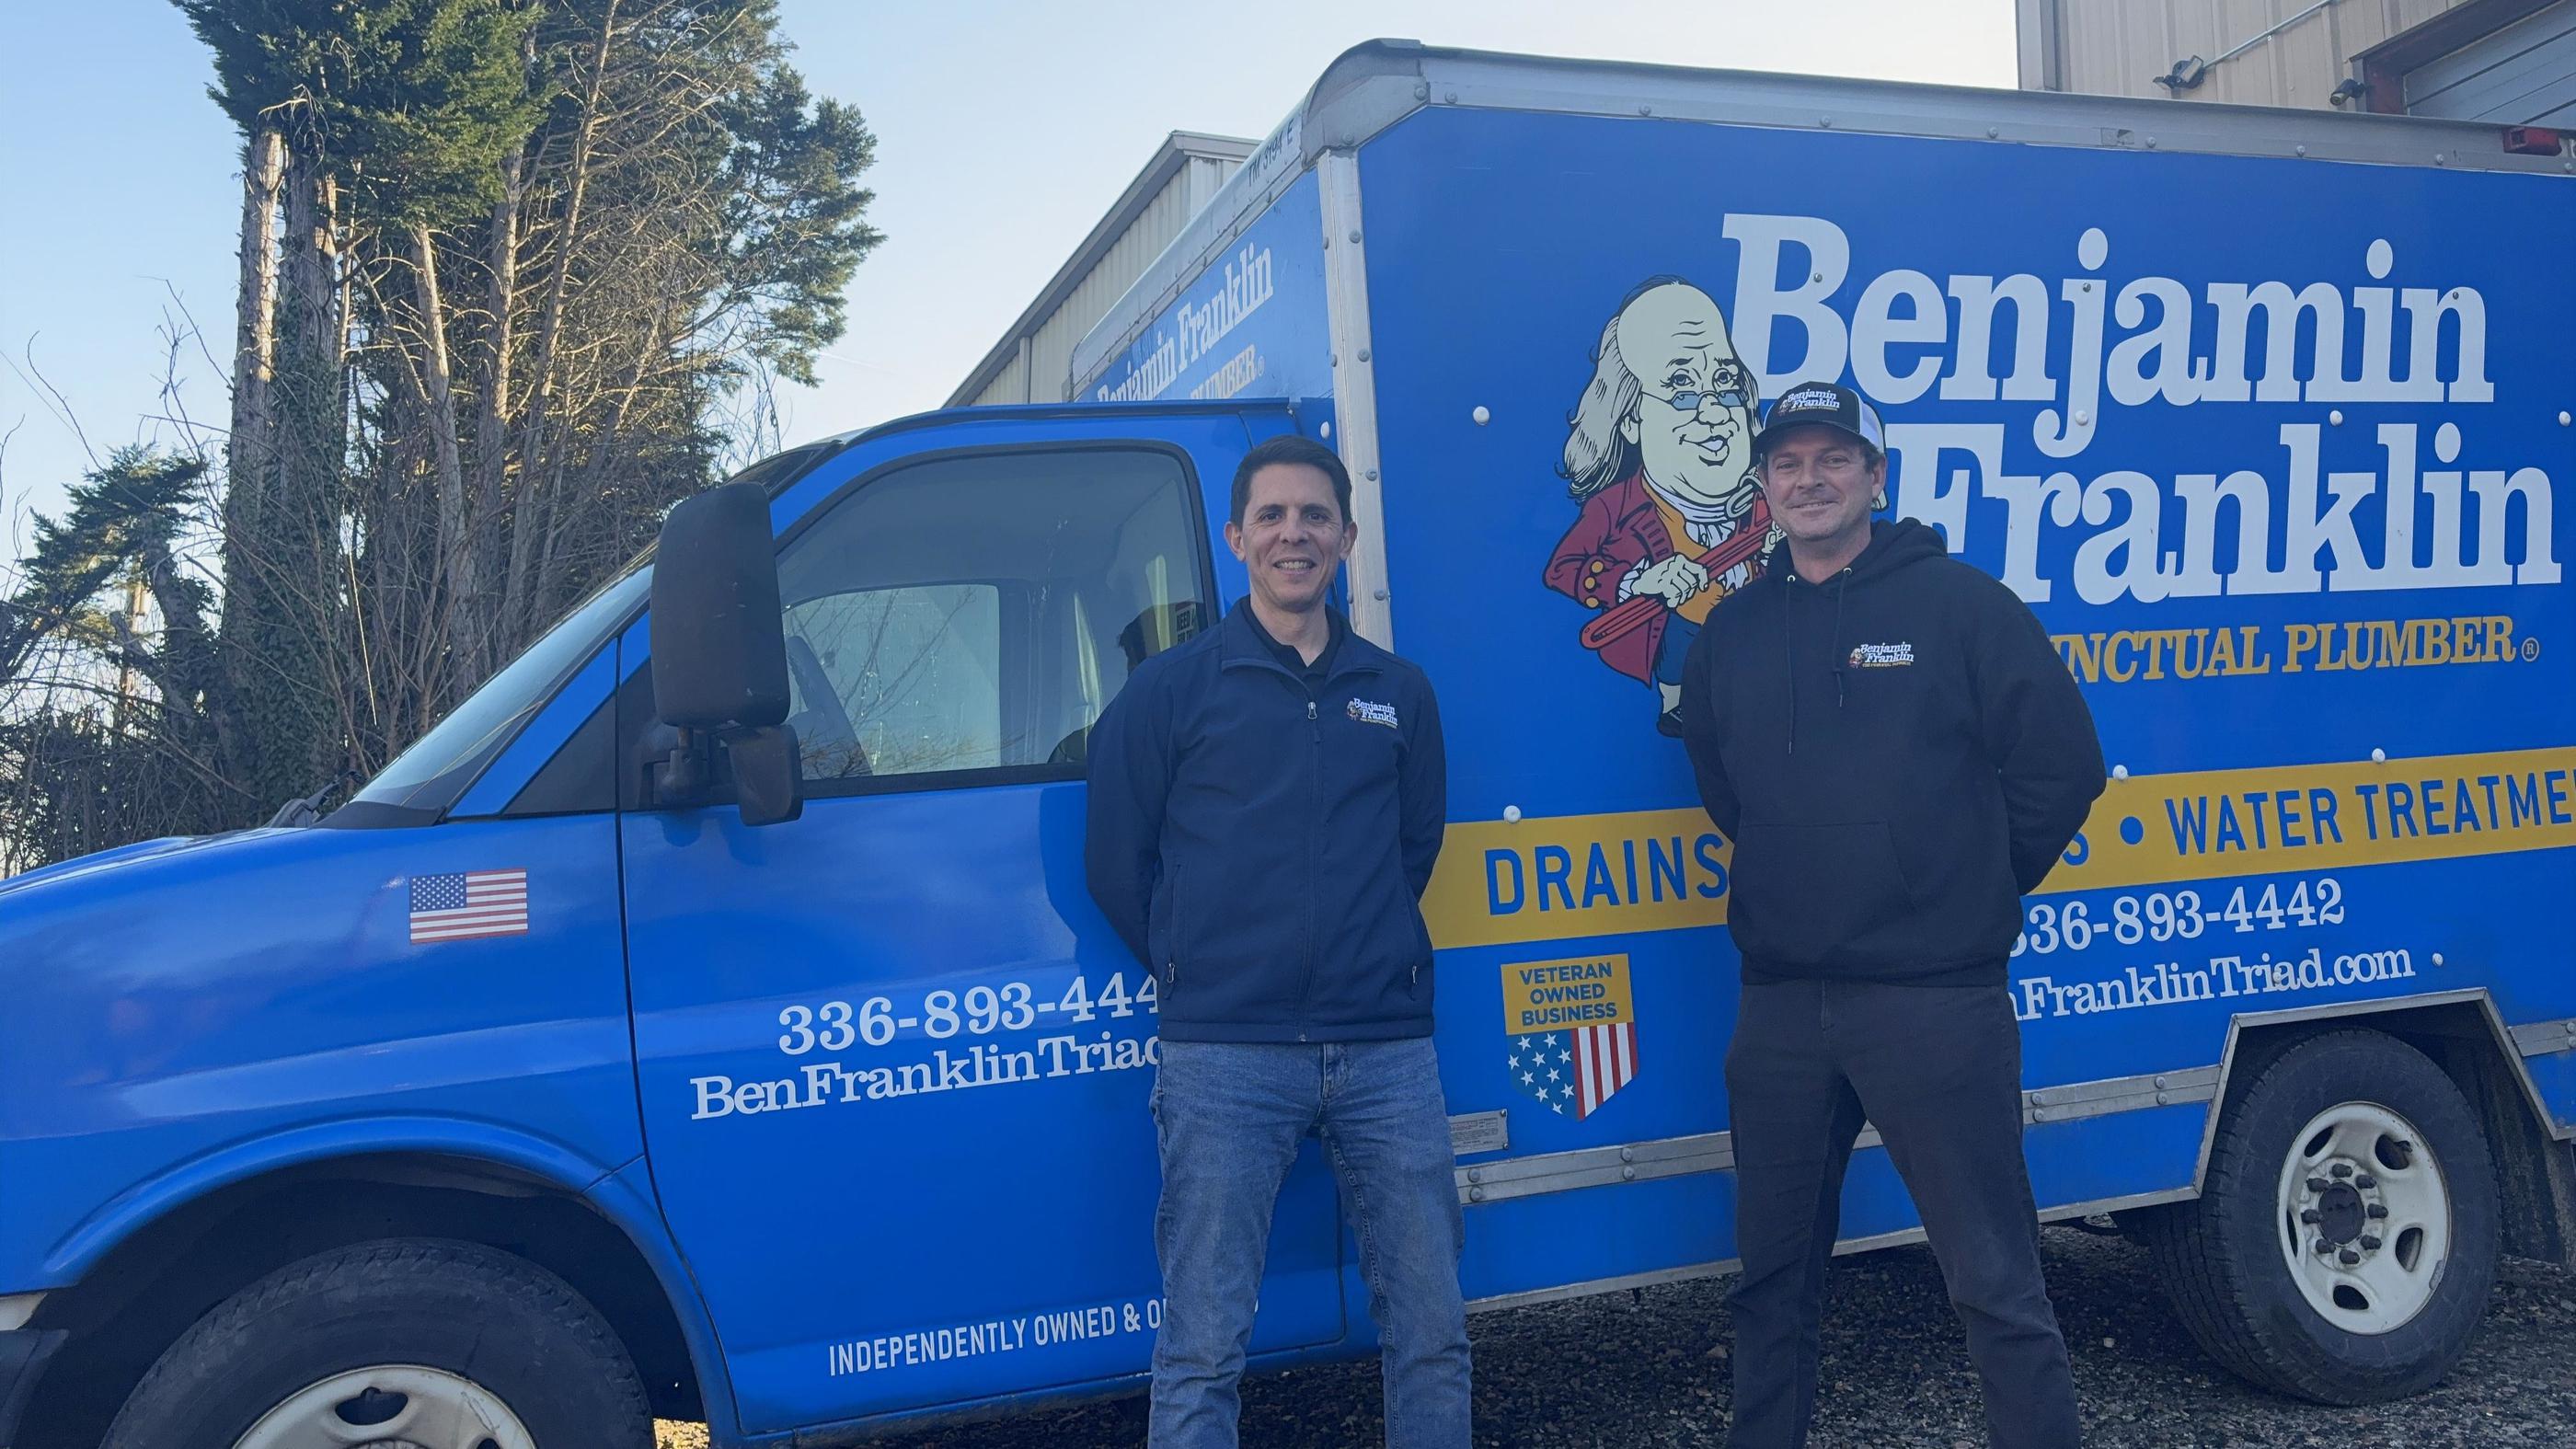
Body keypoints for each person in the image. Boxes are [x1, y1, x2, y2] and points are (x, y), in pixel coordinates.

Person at [1676, 381, 2104, 1448]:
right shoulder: (1730, 632)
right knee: (1769, 1289)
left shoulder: (1961, 605)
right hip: (1779, 1009)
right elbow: (1726, 788)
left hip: (1933, 1004)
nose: (1807, 480)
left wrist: (1963, 885)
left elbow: (2062, 768)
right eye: (1786, 464)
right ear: (1762, 487)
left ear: (1875, 476)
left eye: (1832, 460)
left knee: (1994, 1285)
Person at [1085, 433, 1469, 1447]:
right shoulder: (1169, 691)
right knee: (1203, 1345)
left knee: (1429, 1332)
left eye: (1313, 516)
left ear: (1345, 536)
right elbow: (1117, 865)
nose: (1292, 534)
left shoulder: (1400, 691)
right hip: (1224, 1058)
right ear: (1235, 537)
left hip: (1386, 1053)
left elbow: (1411, 848)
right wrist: (1196, 967)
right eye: (1271, 516)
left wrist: (1362, 946)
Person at [1545, 276, 1765, 734]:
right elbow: (1563, 568)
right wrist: (1638, 580)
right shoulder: (1614, 508)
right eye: (1682, 385)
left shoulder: (1772, 500)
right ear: (1630, 417)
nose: (1714, 412)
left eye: (1723, 381)